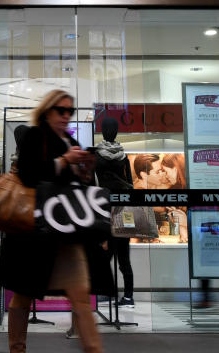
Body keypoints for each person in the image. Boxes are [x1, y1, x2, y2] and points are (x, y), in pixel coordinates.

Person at [0, 89, 111, 353]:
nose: (66, 116)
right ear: (47, 111)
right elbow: (28, 174)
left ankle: (94, 349)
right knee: (23, 296)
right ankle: (17, 349)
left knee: (80, 295)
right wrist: (63, 162)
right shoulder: (35, 136)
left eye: (70, 111)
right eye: (61, 110)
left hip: (66, 234)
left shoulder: (68, 141)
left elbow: (73, 187)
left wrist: (83, 168)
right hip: (35, 233)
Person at [93, 118, 135, 308]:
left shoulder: (96, 155)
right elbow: (130, 183)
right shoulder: (123, 156)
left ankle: (106, 293)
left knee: (104, 255)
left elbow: (93, 183)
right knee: (123, 256)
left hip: (104, 209)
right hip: (123, 209)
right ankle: (128, 296)